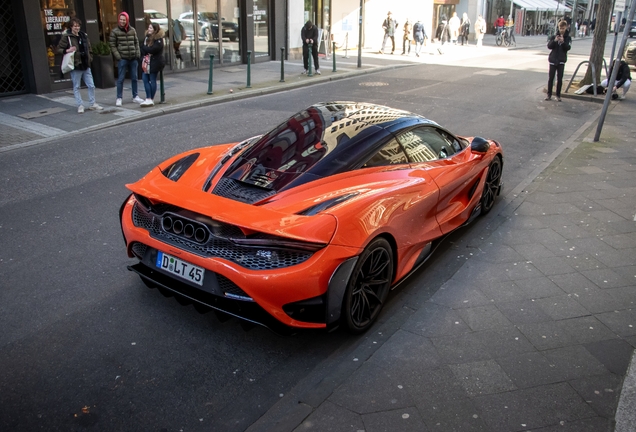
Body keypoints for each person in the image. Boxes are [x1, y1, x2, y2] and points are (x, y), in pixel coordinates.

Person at [56, 18, 103, 114]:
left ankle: (92, 103)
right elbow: (59, 49)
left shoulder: (83, 36)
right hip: (76, 65)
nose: (77, 28)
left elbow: (89, 48)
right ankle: (80, 105)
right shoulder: (67, 37)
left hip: (86, 64)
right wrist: (67, 50)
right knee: (76, 86)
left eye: (78, 26)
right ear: (71, 27)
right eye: (75, 26)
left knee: (91, 85)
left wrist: (90, 58)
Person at [109, 11, 143, 107]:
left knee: (134, 78)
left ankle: (135, 96)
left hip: (133, 58)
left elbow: (136, 42)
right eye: (121, 19)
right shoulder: (115, 31)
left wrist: (137, 54)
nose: (122, 21)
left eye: (124, 20)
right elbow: (112, 45)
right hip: (123, 58)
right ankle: (119, 98)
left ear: (127, 20)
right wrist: (118, 57)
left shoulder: (132, 30)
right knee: (120, 79)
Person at [139, 23, 165, 107]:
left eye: (150, 28)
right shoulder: (146, 37)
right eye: (148, 27)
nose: (149, 29)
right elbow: (143, 49)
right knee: (145, 78)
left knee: (152, 79)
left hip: (154, 62)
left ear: (155, 29)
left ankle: (150, 98)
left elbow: (153, 50)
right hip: (146, 62)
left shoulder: (159, 39)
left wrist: (145, 48)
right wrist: (145, 50)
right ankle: (148, 98)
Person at [545, 20, 571, 101]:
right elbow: (549, 46)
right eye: (560, 28)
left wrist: (563, 42)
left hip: (561, 60)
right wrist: (555, 41)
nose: (561, 30)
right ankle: (549, 94)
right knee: (551, 78)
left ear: (566, 28)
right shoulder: (554, 36)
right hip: (553, 59)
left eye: (563, 28)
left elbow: (568, 48)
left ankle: (558, 95)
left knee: (559, 79)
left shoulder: (568, 38)